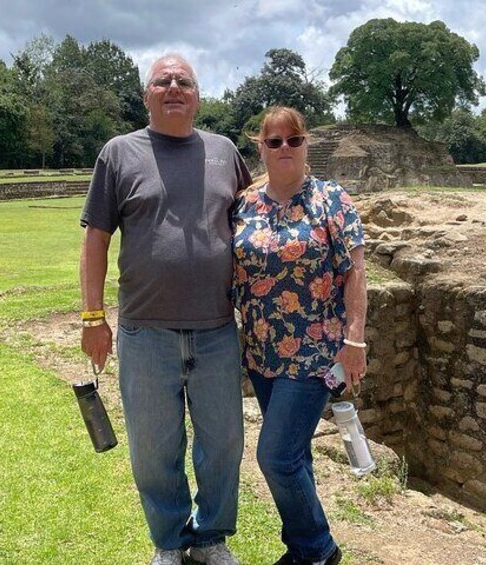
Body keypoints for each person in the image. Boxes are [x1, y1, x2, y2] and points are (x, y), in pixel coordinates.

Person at [79, 54, 252, 565]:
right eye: (163, 81)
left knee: (223, 443)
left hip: (218, 329)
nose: (174, 87)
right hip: (145, 331)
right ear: (147, 94)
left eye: (184, 81)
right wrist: (93, 318)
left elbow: (258, 225)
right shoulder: (119, 154)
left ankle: (212, 537)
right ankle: (170, 541)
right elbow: (95, 241)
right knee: (155, 450)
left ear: (197, 96)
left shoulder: (224, 152)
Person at [232, 107, 368, 565]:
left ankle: (317, 550)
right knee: (296, 456)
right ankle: (304, 548)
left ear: (306, 143)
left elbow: (356, 275)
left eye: (293, 139)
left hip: (316, 354)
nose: (284, 148)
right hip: (263, 353)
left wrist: (355, 341)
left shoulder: (331, 199)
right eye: (274, 142)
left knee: (275, 457)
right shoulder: (245, 205)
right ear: (261, 148)